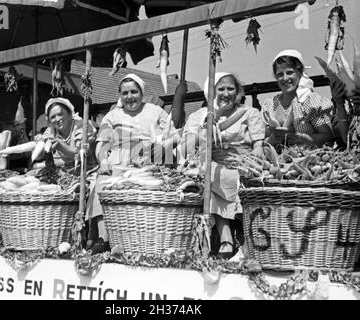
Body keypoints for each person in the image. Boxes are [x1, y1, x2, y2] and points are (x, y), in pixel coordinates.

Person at [86, 73, 178, 254]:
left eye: (134, 92)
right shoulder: (112, 116)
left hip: (150, 158)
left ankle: (149, 238)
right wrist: (102, 159)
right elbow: (101, 143)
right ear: (120, 96)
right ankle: (104, 238)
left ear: (142, 93)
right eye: (125, 93)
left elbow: (173, 135)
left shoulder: (156, 111)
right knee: (101, 182)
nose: (130, 97)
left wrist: (161, 147)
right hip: (119, 159)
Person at [179, 72, 265, 259]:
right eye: (221, 89)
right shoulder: (200, 115)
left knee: (238, 178)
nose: (226, 93)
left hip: (244, 162)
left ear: (238, 92)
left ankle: (245, 237)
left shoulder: (250, 112)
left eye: (230, 89)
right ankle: (226, 238)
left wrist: (255, 156)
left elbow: (258, 144)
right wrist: (205, 129)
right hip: (215, 163)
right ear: (211, 92)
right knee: (209, 173)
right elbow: (187, 146)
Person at [261, 50, 335, 148]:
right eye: (280, 74)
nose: (285, 78)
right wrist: (273, 139)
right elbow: (261, 140)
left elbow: (328, 137)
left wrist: (300, 137)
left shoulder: (310, 102)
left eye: (289, 72)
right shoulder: (270, 105)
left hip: (309, 159)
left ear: (300, 73)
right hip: (276, 161)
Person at [31, 97, 97, 170]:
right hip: (65, 172)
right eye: (53, 117)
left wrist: (60, 145)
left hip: (87, 171)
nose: (57, 119)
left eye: (60, 114)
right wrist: (39, 148)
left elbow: (80, 154)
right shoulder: (51, 131)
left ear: (69, 114)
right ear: (49, 121)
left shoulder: (83, 126)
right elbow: (40, 155)